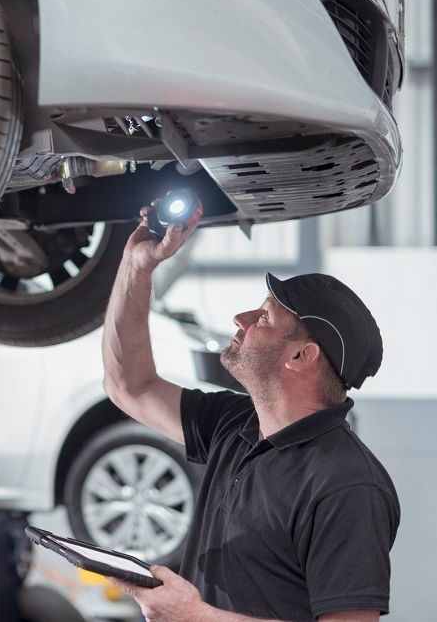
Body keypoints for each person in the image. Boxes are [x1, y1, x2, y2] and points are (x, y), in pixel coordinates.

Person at [100, 205, 399, 621]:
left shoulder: (346, 484)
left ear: (300, 355)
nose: (240, 319)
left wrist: (194, 616)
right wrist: (137, 268)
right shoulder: (235, 424)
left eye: (264, 317)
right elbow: (130, 386)